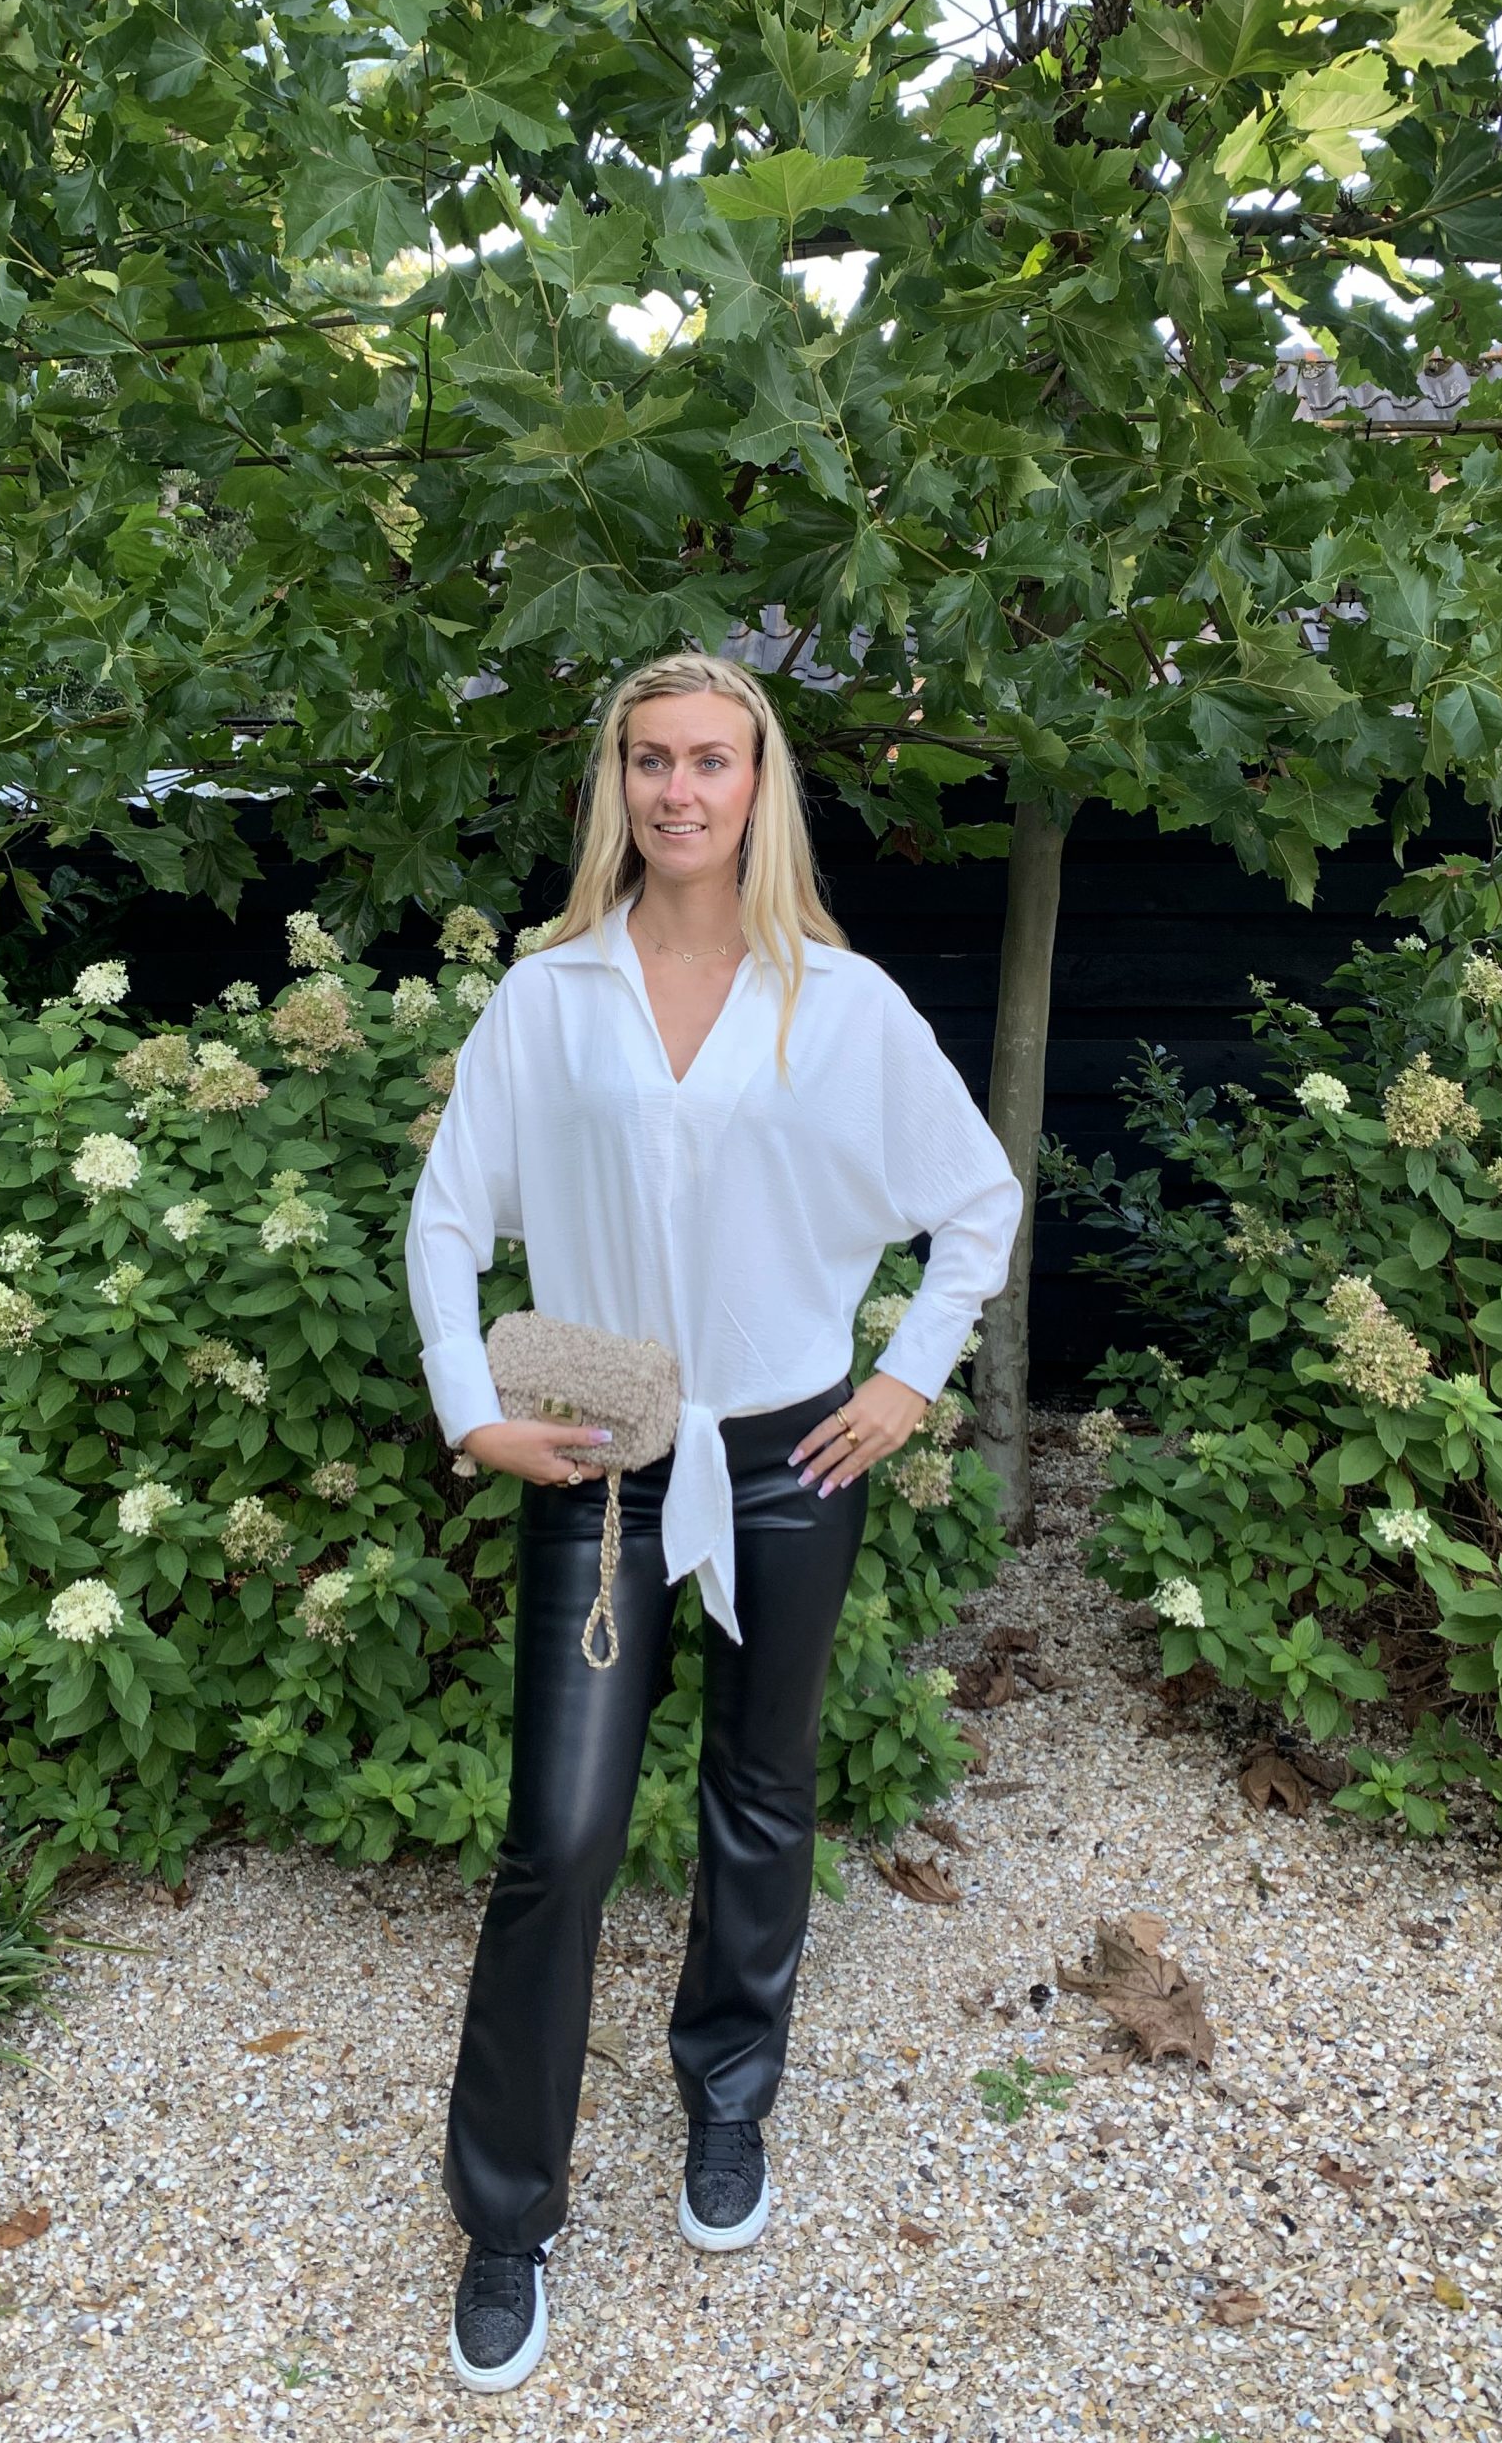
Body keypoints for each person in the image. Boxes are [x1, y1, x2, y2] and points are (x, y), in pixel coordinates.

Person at [404, 651, 1024, 2393]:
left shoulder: (843, 1004)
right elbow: (447, 1217)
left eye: (711, 762)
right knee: (562, 1834)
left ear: (760, 789)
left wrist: (903, 1381)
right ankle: (506, 2216)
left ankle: (727, 2103)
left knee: (762, 1792)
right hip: (603, 1458)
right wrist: (469, 1405)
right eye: (650, 761)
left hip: (788, 1458)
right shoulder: (549, 1000)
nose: (679, 791)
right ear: (616, 784)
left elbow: (977, 1203)